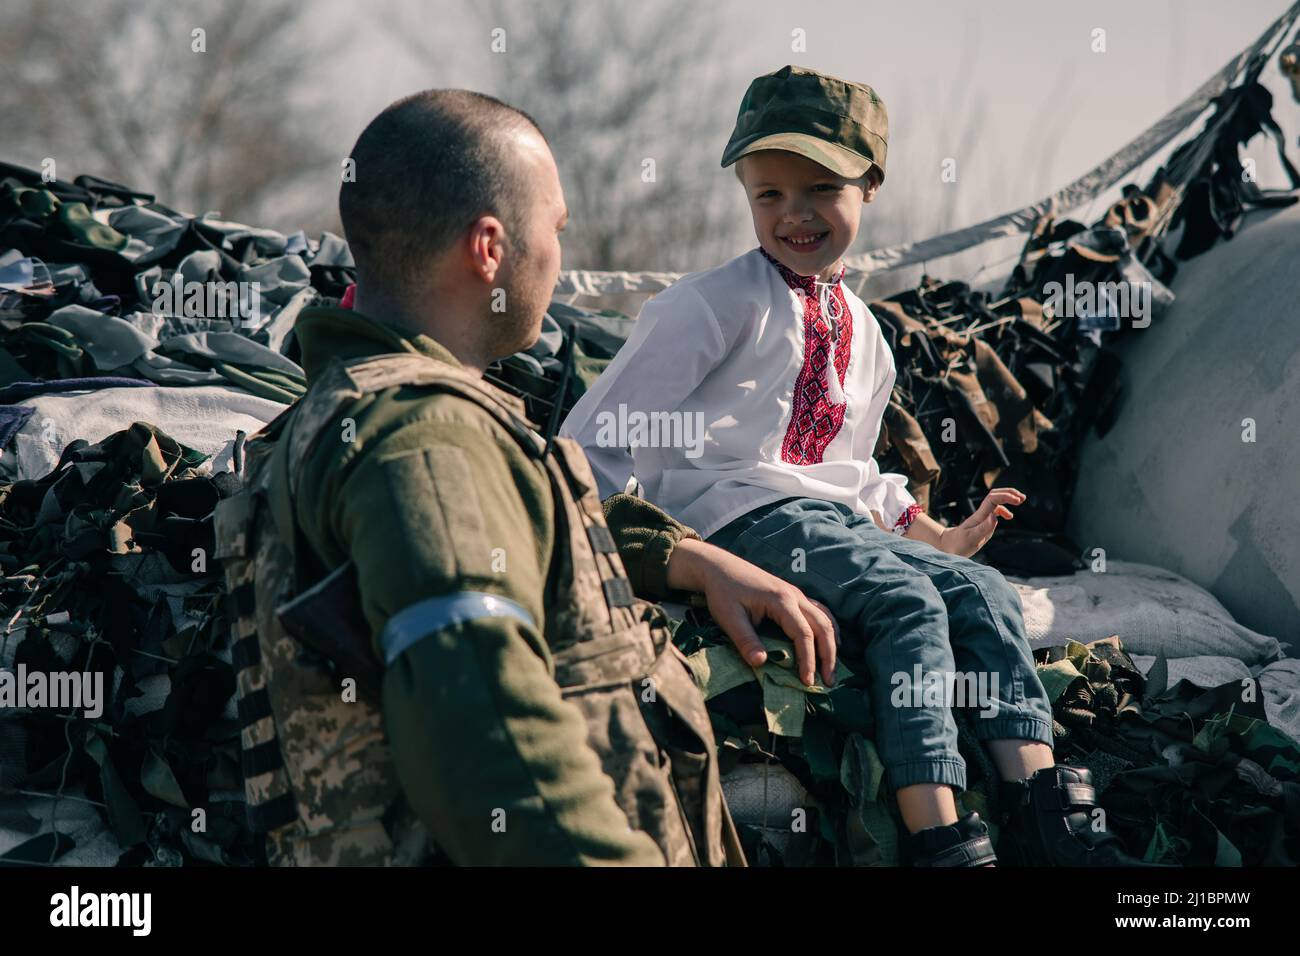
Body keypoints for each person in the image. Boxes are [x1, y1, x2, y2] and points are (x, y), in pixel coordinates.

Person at [215, 88, 841, 866]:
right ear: (490, 248)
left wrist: (684, 557)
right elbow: (488, 740)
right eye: (554, 229)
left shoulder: (368, 411)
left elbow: (512, 533)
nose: (558, 256)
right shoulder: (424, 435)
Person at [560, 65, 1146, 866]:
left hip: (828, 520)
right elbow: (595, 435)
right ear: (745, 195)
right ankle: (940, 834)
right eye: (768, 195)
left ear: (868, 185)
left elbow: (852, 468)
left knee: (983, 591)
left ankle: (1046, 814)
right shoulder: (709, 305)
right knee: (905, 602)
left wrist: (933, 532)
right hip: (738, 515)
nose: (793, 215)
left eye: (819, 189)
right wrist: (628, 539)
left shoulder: (864, 330)